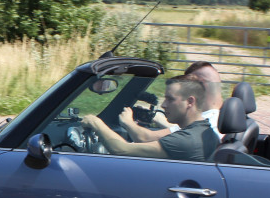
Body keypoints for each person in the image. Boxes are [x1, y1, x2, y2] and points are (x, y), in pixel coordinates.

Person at [82, 74, 219, 162]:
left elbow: (121, 149)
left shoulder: (186, 140)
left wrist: (95, 122)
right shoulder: (205, 132)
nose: (163, 105)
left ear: (190, 102)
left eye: (170, 99)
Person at [118, 61, 224, 142]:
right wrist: (156, 118)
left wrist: (128, 122)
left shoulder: (206, 123)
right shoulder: (221, 119)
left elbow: (144, 138)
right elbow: (179, 130)